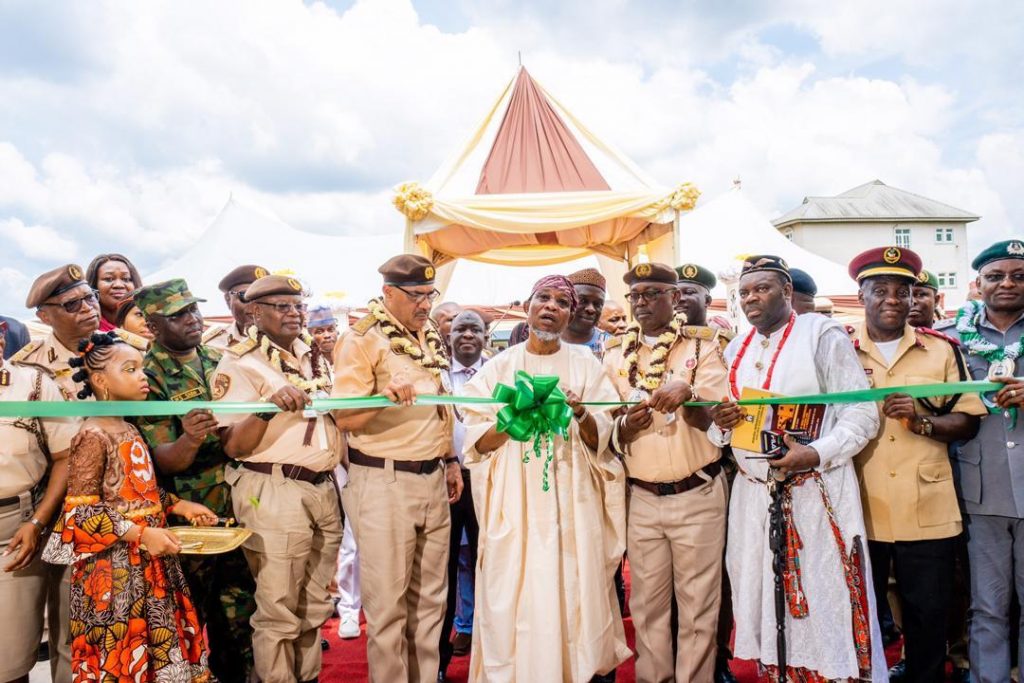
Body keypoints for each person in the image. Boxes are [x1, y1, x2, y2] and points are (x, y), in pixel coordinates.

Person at [707, 255, 886, 681]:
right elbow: (722, 434)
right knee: (767, 607)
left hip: (813, 491)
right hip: (754, 496)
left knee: (825, 601)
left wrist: (816, 453)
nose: (752, 298)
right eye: (745, 292)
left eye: (762, 288)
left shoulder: (821, 334)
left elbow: (862, 415)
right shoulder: (736, 347)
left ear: (787, 292)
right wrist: (721, 424)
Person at [460, 274, 631, 682]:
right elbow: (475, 445)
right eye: (544, 298)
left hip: (572, 497)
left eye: (561, 302)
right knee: (514, 590)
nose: (551, 307)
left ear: (571, 315)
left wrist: (581, 413)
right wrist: (513, 419)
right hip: (513, 502)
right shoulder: (497, 368)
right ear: (527, 306)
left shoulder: (585, 364)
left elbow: (603, 439)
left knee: (573, 586)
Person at [42, 331, 216, 682]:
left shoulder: (130, 430)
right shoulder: (92, 437)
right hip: (116, 574)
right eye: (131, 369)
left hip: (151, 564)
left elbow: (138, 492)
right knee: (126, 658)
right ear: (101, 381)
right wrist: (140, 533)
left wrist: (180, 506)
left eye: (142, 368)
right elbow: (81, 514)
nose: (143, 376)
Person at [847, 247, 984, 682]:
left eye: (903, 291)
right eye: (880, 290)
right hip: (859, 503)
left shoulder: (942, 350)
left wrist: (922, 422)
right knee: (861, 609)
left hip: (926, 505)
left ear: (914, 298)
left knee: (928, 611)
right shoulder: (840, 348)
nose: (893, 299)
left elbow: (966, 420)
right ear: (861, 295)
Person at [332, 254, 461, 683]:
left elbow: (439, 406)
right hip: (383, 480)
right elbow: (344, 420)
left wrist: (450, 460)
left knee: (430, 602)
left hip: (432, 479)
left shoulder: (427, 336)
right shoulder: (361, 339)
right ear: (388, 293)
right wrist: (381, 397)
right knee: (388, 605)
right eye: (416, 296)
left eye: (430, 295)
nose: (425, 305)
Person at [603, 262, 730, 682]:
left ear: (675, 298)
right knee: (647, 609)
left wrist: (688, 392)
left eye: (652, 293)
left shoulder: (705, 347)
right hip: (641, 496)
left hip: (697, 493)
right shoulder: (614, 353)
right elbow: (608, 427)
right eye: (635, 295)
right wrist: (625, 427)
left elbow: (717, 419)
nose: (641, 303)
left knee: (698, 608)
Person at [213, 274, 342, 683]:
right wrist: (266, 409)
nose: (294, 313)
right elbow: (232, 445)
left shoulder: (314, 354)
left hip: (322, 487)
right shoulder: (239, 361)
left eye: (298, 305)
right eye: (282, 306)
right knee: (278, 607)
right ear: (254, 312)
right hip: (272, 488)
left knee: (314, 606)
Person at [133, 279, 257, 683]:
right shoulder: (147, 378)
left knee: (240, 619)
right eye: (179, 315)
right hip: (187, 520)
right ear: (152, 326)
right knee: (187, 621)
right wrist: (190, 437)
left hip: (235, 507)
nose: (193, 319)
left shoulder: (216, 357)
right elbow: (162, 462)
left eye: (193, 310)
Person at [11, 263, 102, 682]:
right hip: (61, 509)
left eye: (89, 297)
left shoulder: (128, 350)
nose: (88, 307)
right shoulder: (28, 367)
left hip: (125, 502)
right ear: (44, 316)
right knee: (66, 623)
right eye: (72, 303)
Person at [949, 239, 1024, 683]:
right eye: (996, 276)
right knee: (987, 605)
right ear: (978, 284)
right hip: (981, 494)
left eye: (1018, 275)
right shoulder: (952, 338)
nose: (1008, 284)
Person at [0, 319, 78, 683]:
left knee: (10, 658)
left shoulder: (32, 384)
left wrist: (37, 522)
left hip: (13, 528)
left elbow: (65, 456)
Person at [439, 310, 487, 680]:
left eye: (475, 329)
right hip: (445, 480)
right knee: (443, 568)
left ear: (486, 336)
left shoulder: (498, 373)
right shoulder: (435, 374)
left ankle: (492, 646)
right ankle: (439, 658)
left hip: (488, 480)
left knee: (492, 561)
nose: (467, 335)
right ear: (449, 335)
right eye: (460, 329)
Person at [203, 265, 270, 352]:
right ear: (228, 300)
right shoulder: (212, 345)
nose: (255, 306)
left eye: (263, 298)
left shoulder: (288, 339)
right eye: (245, 296)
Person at [85, 254, 142, 333]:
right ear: (94, 286)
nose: (119, 285)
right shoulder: (85, 329)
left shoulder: (151, 323)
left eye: (126, 279)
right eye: (108, 279)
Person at [563, 268, 608, 356]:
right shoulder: (544, 341)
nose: (591, 309)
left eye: (597, 304)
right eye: (583, 301)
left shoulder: (611, 345)